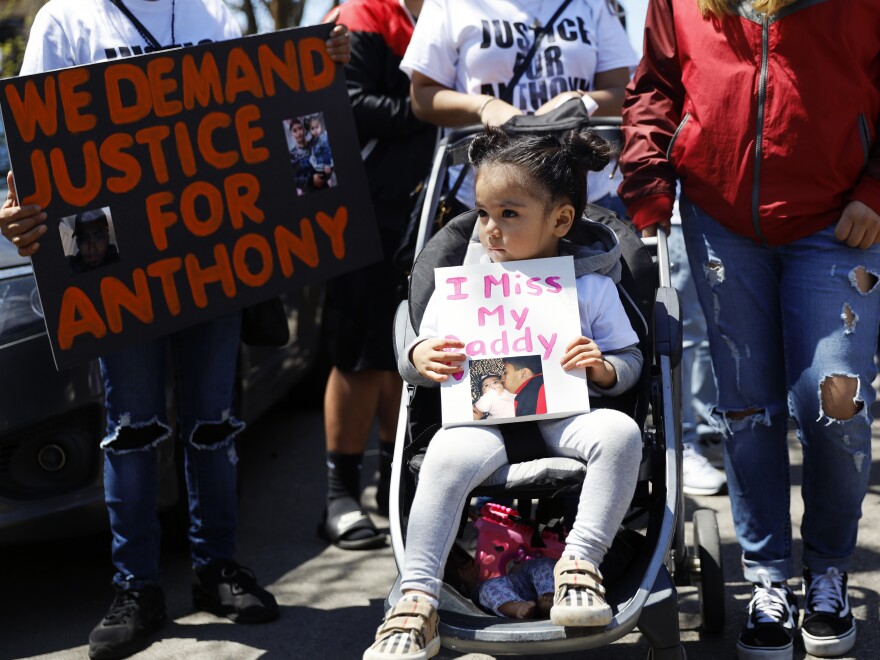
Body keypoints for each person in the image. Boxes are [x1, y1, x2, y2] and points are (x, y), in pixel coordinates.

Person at [0, 2, 351, 658]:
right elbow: (37, 148)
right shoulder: (66, 18)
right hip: (109, 262)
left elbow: (260, 120)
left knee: (213, 424)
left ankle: (216, 569)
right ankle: (137, 588)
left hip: (208, 253)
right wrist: (17, 213)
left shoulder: (215, 10)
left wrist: (318, 69)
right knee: (130, 432)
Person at [618, 1, 880, 658]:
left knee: (836, 399)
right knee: (747, 408)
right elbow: (655, 89)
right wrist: (647, 175)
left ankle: (826, 572)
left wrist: (876, 192)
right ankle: (767, 578)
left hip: (840, 223)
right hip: (721, 225)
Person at [363, 125, 644, 659]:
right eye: (484, 213)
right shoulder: (461, 288)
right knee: (444, 454)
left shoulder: (590, 288)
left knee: (622, 433)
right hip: (481, 420)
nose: (489, 229)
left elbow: (631, 360)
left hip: (567, 413)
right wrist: (420, 359)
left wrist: (604, 368)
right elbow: (418, 355)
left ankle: (579, 564)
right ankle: (418, 597)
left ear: (561, 220)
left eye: (509, 214)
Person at [318, 0, 437, 551]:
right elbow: (347, 102)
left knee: (405, 353)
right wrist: (439, 107)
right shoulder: (361, 14)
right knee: (358, 355)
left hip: (429, 213)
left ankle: (391, 484)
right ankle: (339, 495)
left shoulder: (446, 14)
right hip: (362, 210)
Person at [399, 0, 638, 219]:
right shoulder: (448, 4)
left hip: (582, 193)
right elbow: (422, 96)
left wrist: (577, 101)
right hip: (484, 200)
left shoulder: (593, 4)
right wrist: (484, 106)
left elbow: (622, 92)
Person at [68, 209, 120, 273]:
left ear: (107, 238)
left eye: (99, 237)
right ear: (78, 243)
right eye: (84, 238)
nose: (92, 249)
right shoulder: (70, 265)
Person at [288, 117, 317, 195]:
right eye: (294, 131)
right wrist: (310, 179)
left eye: (300, 128)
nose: (298, 132)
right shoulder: (292, 155)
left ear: (304, 130)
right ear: (292, 135)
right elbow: (295, 180)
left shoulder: (314, 145)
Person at [306, 114, 334, 189]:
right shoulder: (314, 138)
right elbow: (312, 144)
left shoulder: (323, 137)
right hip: (319, 160)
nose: (316, 130)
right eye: (312, 129)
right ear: (309, 131)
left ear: (320, 126)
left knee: (324, 175)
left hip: (325, 162)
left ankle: (328, 180)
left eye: (317, 127)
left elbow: (326, 151)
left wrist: (327, 165)